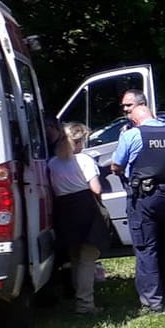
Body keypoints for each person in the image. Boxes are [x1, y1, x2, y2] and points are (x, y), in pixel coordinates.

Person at [109, 103, 165, 313]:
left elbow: (116, 165)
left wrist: (118, 170)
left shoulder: (132, 135)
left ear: (135, 120)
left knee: (147, 248)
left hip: (145, 199)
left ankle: (153, 302)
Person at [48, 122, 110, 314]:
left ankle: (77, 298)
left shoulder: (52, 163)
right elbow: (96, 189)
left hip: (63, 210)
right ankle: (85, 304)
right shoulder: (84, 159)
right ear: (81, 139)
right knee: (87, 258)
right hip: (85, 208)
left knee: (75, 258)